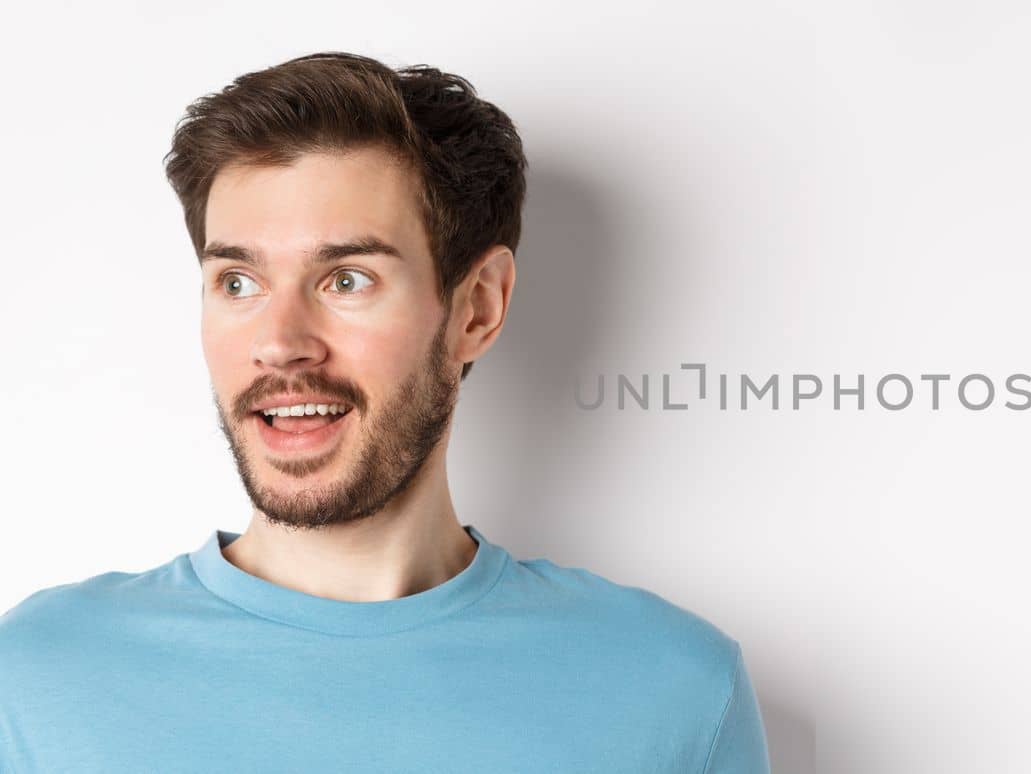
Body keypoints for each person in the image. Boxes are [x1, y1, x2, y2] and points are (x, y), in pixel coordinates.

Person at [0, 51, 770, 773]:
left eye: (346, 280)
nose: (279, 344)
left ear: (476, 309)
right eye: (238, 282)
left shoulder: (674, 691)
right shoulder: (34, 680)